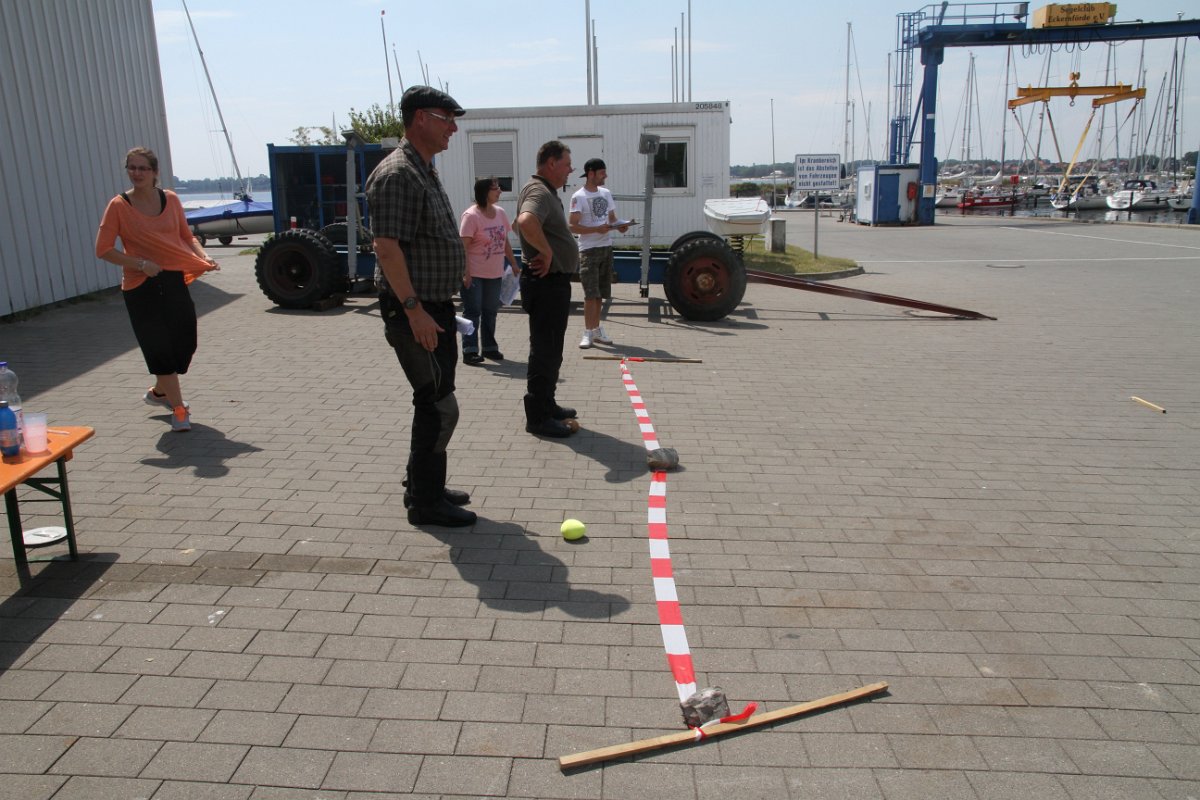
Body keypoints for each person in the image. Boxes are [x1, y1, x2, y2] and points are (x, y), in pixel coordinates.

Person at [365, 85, 476, 527]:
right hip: (415, 310)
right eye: (446, 118)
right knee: (438, 404)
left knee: (434, 400)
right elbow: (386, 248)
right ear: (419, 120)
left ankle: (423, 484)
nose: (453, 127)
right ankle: (425, 504)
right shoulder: (398, 174)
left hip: (434, 306)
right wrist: (413, 310)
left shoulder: (422, 168)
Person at [95, 146, 219, 433]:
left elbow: (186, 236)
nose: (137, 173)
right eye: (132, 168)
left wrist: (203, 256)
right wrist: (139, 263)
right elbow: (102, 250)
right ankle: (179, 409)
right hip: (141, 287)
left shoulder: (171, 199)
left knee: (185, 343)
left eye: (143, 168)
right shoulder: (118, 206)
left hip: (173, 280)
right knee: (159, 347)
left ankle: (160, 392)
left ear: (154, 172)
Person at [516, 141, 580, 438]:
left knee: (551, 349)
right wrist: (547, 252)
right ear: (551, 163)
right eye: (567, 164)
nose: (570, 171)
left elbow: (523, 226)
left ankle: (547, 403)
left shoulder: (545, 191)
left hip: (552, 283)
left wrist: (546, 249)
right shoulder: (539, 191)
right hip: (545, 283)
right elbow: (525, 221)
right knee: (544, 351)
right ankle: (538, 418)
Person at [569, 158, 629, 348]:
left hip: (606, 247)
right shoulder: (578, 196)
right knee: (590, 294)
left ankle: (596, 329)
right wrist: (596, 230)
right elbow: (572, 226)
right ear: (591, 173)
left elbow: (612, 218)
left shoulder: (606, 193)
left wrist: (621, 226)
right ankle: (587, 332)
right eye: (602, 173)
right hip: (588, 250)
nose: (606, 176)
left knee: (600, 293)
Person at [459, 177, 518, 365]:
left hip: (495, 273)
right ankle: (470, 350)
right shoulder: (471, 216)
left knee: (490, 311)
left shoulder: (500, 213)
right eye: (495, 188)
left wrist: (513, 264)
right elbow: (463, 248)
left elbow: (505, 241)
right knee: (472, 311)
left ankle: (490, 348)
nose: (500, 191)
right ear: (485, 192)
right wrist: (466, 273)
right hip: (475, 274)